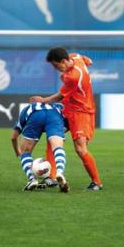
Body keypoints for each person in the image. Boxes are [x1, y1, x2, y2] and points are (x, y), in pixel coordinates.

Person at [30, 47, 103, 191]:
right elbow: (87, 59)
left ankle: (97, 182)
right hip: (68, 109)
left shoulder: (73, 77)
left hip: (82, 112)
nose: (57, 69)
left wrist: (43, 100)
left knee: (80, 149)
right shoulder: (75, 57)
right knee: (53, 137)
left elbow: (59, 96)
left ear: (63, 61)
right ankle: (50, 177)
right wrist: (88, 62)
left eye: (57, 66)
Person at [11, 102, 68, 192]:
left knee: (25, 151)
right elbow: (67, 124)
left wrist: (18, 152)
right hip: (54, 114)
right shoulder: (57, 106)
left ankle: (32, 179)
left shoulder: (27, 108)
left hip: (35, 115)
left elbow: (13, 137)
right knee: (58, 147)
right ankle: (60, 172)